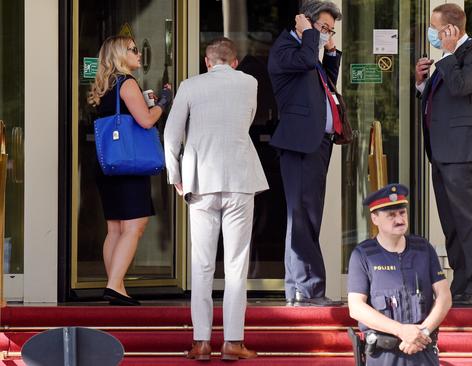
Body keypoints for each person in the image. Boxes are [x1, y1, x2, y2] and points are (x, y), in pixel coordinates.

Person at [164, 37, 268, 361]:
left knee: (202, 263)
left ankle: (201, 342)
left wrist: (175, 176)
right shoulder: (249, 82)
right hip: (239, 176)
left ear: (207, 62)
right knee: (236, 264)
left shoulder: (190, 85)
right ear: (234, 61)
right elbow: (248, 119)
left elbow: (171, 133)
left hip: (201, 179)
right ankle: (233, 342)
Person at [414, 3, 472, 307]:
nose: (431, 34)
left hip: (463, 152)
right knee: (452, 222)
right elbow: (443, 103)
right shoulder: (447, 61)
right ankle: (461, 285)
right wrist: (422, 84)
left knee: (469, 221)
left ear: (452, 30)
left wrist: (447, 55)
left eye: (435, 28)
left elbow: (461, 87)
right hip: (443, 152)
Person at [267, 0, 343, 306]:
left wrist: (333, 51)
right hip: (299, 145)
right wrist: (310, 35)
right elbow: (307, 61)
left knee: (307, 217)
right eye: (323, 28)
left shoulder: (308, 54)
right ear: (306, 23)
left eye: (330, 31)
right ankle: (307, 289)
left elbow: (325, 80)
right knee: (302, 217)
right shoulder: (286, 50)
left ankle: (302, 289)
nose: (325, 35)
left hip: (316, 144)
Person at [87, 35, 172, 306]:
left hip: (107, 163)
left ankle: (116, 285)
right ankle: (114, 285)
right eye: (133, 50)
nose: (139, 54)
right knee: (134, 226)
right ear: (121, 55)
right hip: (128, 164)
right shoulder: (127, 83)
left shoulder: (104, 86)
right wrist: (163, 103)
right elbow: (146, 122)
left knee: (115, 228)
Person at [347, 183, 452, 366]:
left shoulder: (424, 249)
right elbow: (356, 307)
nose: (399, 219)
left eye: (402, 213)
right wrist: (401, 331)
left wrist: (423, 332)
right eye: (391, 215)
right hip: (383, 355)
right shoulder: (363, 255)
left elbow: (444, 296)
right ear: (375, 219)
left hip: (422, 349)